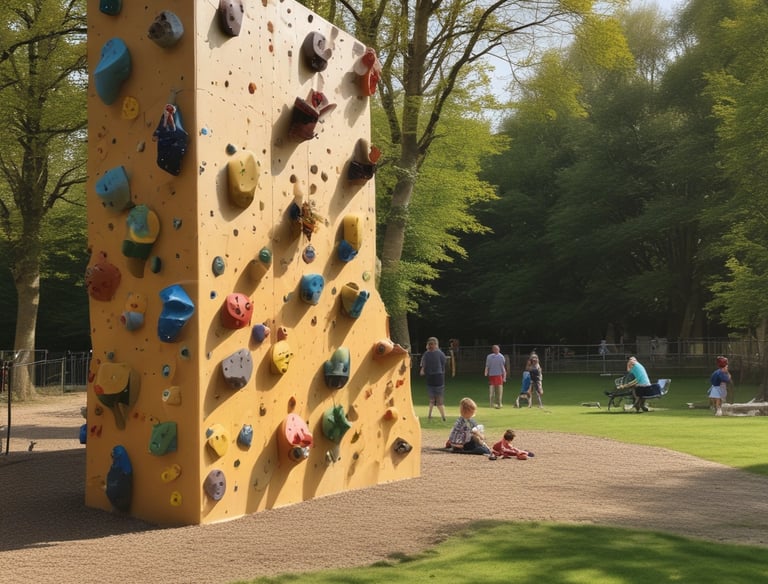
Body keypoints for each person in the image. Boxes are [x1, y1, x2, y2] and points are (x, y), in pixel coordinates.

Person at [420, 336, 447, 421]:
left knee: (437, 399)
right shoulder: (428, 354)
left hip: (437, 377)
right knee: (433, 399)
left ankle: (442, 416)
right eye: (430, 344)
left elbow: (443, 363)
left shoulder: (437, 353)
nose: (431, 346)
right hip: (433, 378)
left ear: (435, 344)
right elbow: (424, 364)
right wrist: (423, 370)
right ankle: (432, 415)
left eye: (432, 344)